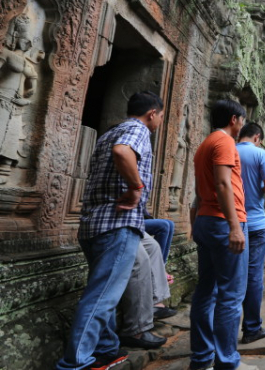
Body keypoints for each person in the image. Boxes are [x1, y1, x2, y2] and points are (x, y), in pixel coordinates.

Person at [55, 91, 164, 370]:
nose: (159, 121)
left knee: (101, 290)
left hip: (94, 223)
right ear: (152, 113)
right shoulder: (137, 129)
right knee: (102, 297)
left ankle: (106, 348)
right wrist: (137, 188)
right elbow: (123, 152)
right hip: (117, 224)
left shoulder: (109, 133)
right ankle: (75, 362)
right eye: (161, 116)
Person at [190, 99, 247, 370]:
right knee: (230, 294)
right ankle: (226, 361)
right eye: (242, 121)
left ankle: (202, 358)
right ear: (234, 119)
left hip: (206, 220)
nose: (242, 126)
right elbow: (223, 183)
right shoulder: (224, 142)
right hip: (224, 221)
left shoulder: (204, 144)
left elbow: (200, 190)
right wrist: (235, 226)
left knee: (206, 291)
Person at [236, 122, 265, 344]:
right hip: (256, 223)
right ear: (258, 137)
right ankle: (251, 327)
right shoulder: (260, 154)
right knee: (253, 275)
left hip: (231, 222)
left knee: (231, 275)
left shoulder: (228, 150)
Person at [118, 233, 173, 349]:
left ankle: (154, 302)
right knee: (139, 260)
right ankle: (136, 330)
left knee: (153, 246)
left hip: (131, 225)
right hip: (115, 226)